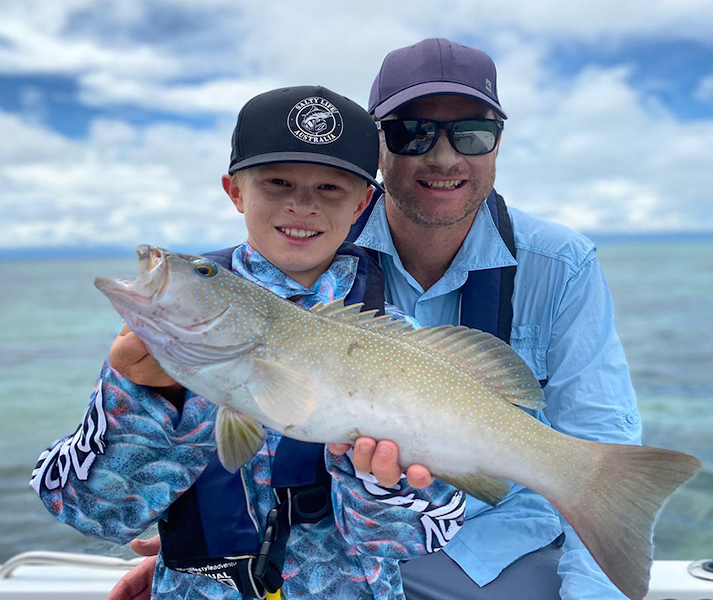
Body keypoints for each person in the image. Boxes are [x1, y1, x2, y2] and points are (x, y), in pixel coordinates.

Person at [110, 38, 643, 600]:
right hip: (340, 547)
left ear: (498, 143)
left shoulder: (561, 263)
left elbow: (600, 436)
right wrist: (212, 558)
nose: (442, 157)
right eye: (412, 132)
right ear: (376, 148)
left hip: (498, 538)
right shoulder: (310, 244)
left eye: (472, 133)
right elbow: (246, 395)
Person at [31, 84, 465, 600]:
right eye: (277, 182)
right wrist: (152, 401)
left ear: (361, 204)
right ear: (235, 191)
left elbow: (428, 533)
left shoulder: (403, 345)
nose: (302, 205)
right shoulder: (165, 333)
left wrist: (377, 484)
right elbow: (94, 513)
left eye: (329, 188)